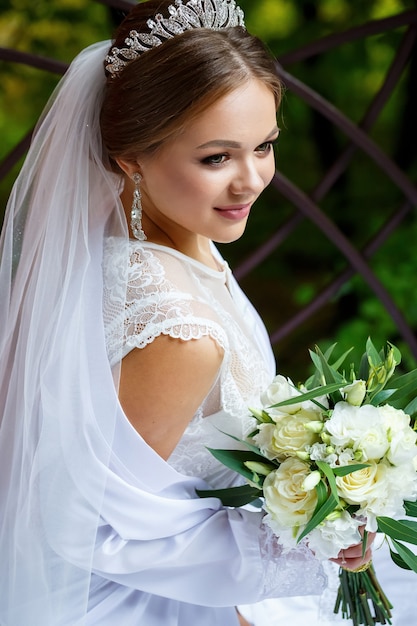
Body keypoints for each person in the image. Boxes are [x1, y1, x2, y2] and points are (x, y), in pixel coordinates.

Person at [0, 1, 373, 624]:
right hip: (153, 599)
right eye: (216, 158)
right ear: (131, 158)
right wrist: (310, 542)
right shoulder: (178, 332)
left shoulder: (169, 246)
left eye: (265, 146)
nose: (252, 180)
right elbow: (84, 527)